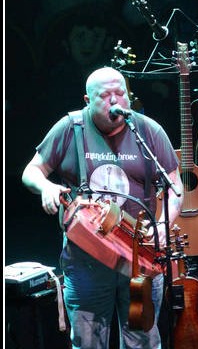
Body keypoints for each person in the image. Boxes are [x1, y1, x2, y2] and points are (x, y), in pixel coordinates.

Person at [21, 66, 184, 349]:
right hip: (86, 259)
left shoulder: (148, 130)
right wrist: (46, 187)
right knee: (88, 340)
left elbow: (175, 187)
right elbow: (31, 171)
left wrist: (163, 224)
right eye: (105, 95)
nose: (114, 101)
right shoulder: (71, 127)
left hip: (139, 258)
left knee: (142, 339)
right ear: (87, 100)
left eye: (120, 94)